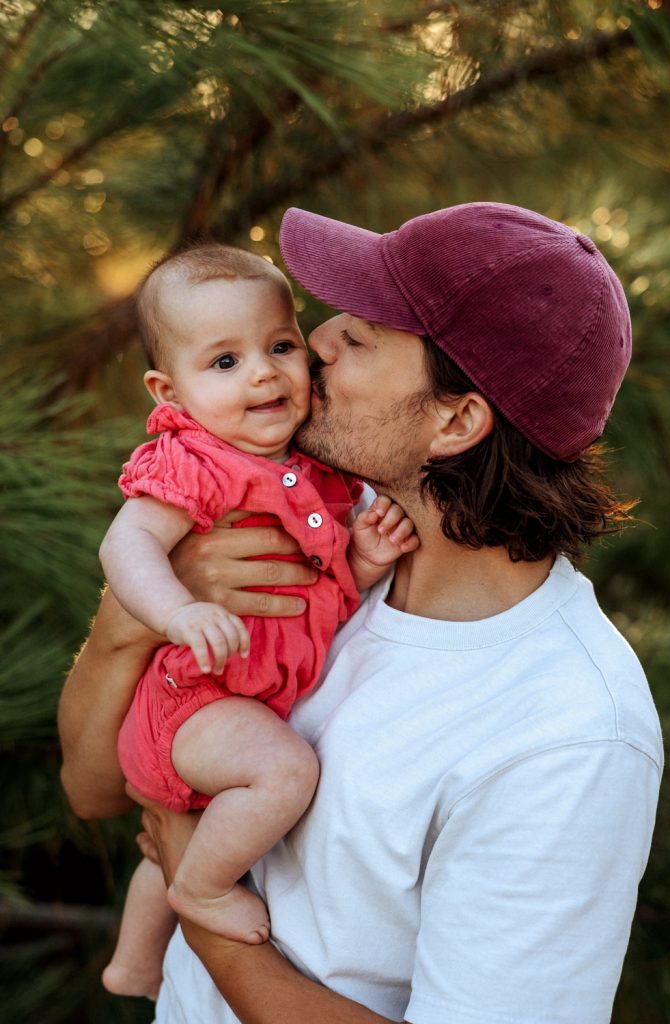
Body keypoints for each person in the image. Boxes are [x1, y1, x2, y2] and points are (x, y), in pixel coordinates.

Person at [59, 201, 663, 1024]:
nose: (313, 343)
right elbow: (94, 790)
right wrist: (135, 617)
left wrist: (197, 901)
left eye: (362, 335)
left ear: (454, 421)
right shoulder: (317, 530)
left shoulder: (564, 732)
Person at [95, 243, 418, 998]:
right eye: (225, 363)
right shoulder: (193, 462)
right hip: (192, 700)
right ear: (165, 387)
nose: (265, 373)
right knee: (284, 772)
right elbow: (128, 541)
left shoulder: (322, 472)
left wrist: (362, 564)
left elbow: (317, 590)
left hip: (242, 700)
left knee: (179, 837)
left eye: (279, 346)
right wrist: (178, 608)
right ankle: (199, 894)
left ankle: (134, 966)